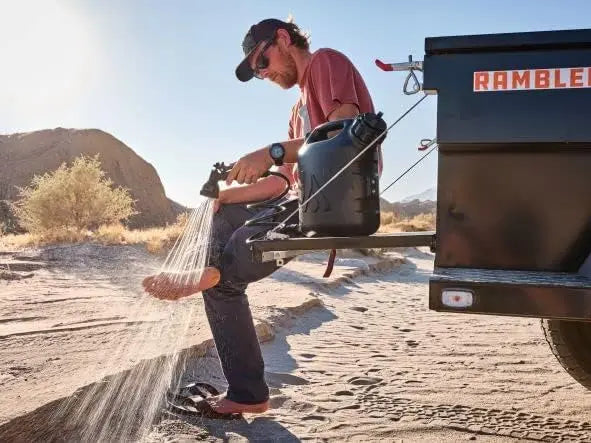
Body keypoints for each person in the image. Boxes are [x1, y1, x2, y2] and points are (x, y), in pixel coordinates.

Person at [143, 17, 381, 415]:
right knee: (226, 220)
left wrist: (268, 152)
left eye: (262, 61)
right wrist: (227, 192)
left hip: (339, 198)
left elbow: (343, 131)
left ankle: (214, 272)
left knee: (230, 265)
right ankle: (247, 394)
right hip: (303, 201)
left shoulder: (325, 62)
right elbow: (279, 184)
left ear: (284, 39)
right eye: (257, 71)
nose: (263, 73)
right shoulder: (297, 112)